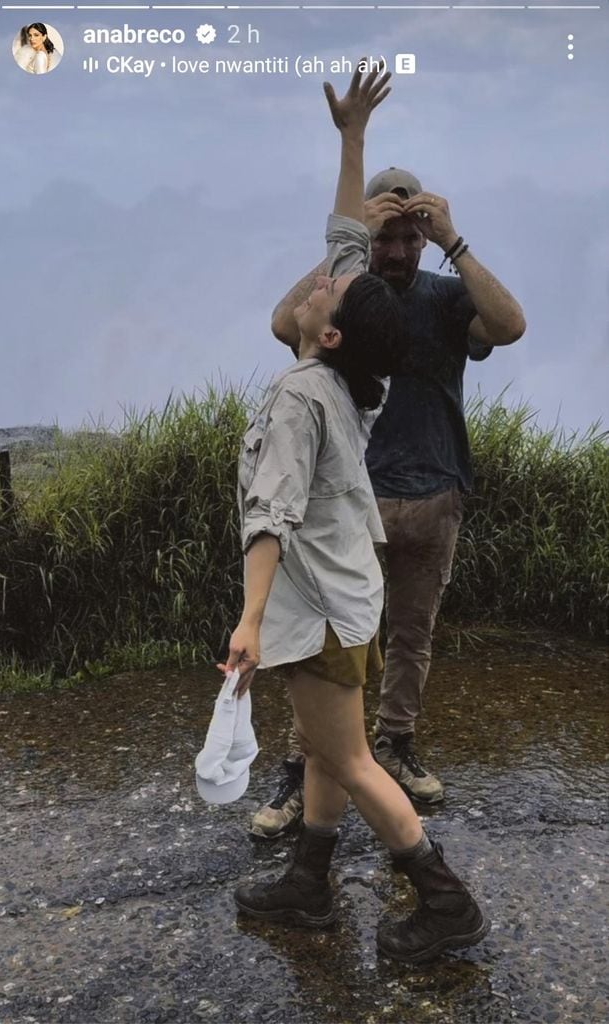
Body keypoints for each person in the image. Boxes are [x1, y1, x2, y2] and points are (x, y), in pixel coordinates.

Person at [223, 67, 490, 964]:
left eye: (326, 293)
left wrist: (250, 620)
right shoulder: (348, 378)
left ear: (327, 332)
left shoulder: (302, 394)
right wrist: (351, 140)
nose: (317, 285)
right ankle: (309, 879)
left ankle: (445, 902)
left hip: (317, 608)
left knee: (351, 760)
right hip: (352, 596)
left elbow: (271, 512)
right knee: (334, 755)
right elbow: (345, 248)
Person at [251, 124, 526, 842]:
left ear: (423, 237)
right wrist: (345, 242)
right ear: (370, 240)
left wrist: (454, 241)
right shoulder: (346, 301)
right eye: (387, 237)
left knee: (411, 637)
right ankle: (299, 767)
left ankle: (396, 746)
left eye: (410, 237)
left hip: (434, 493)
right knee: (324, 642)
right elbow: (285, 323)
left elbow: (510, 325)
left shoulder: (444, 296)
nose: (399, 251)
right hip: (353, 503)